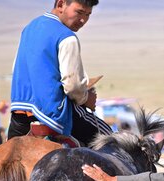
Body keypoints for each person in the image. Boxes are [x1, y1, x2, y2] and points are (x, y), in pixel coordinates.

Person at [8, 0, 100, 139]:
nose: (83, 20)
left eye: (88, 14)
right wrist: (86, 98)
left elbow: (17, 69)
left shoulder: (29, 28)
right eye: (79, 12)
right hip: (51, 115)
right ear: (61, 4)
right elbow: (73, 86)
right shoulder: (66, 37)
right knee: (109, 139)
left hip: (19, 116)